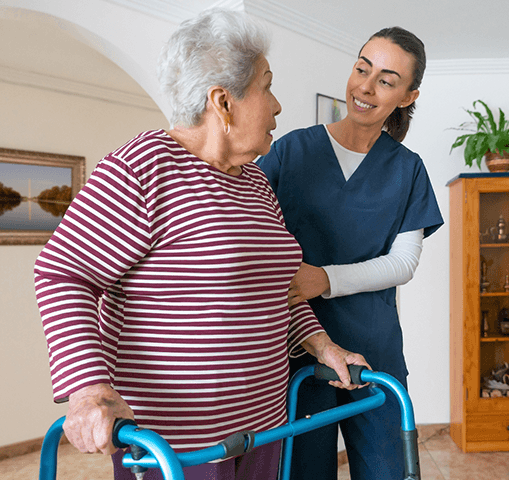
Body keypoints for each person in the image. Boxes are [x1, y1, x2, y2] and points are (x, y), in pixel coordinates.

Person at [33, 9, 368, 480]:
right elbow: (63, 273)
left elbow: (276, 285)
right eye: (266, 86)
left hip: (264, 424)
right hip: (178, 441)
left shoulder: (254, 183)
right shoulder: (141, 167)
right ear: (223, 101)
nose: (276, 107)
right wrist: (88, 389)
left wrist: (321, 344)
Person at [256, 26, 443, 480]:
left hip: (373, 344)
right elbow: (253, 234)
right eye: (363, 68)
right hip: (296, 344)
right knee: (303, 469)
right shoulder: (291, 152)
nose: (366, 86)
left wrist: (325, 279)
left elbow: (404, 263)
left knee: (387, 468)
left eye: (386, 79)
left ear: (406, 95)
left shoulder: (407, 169)